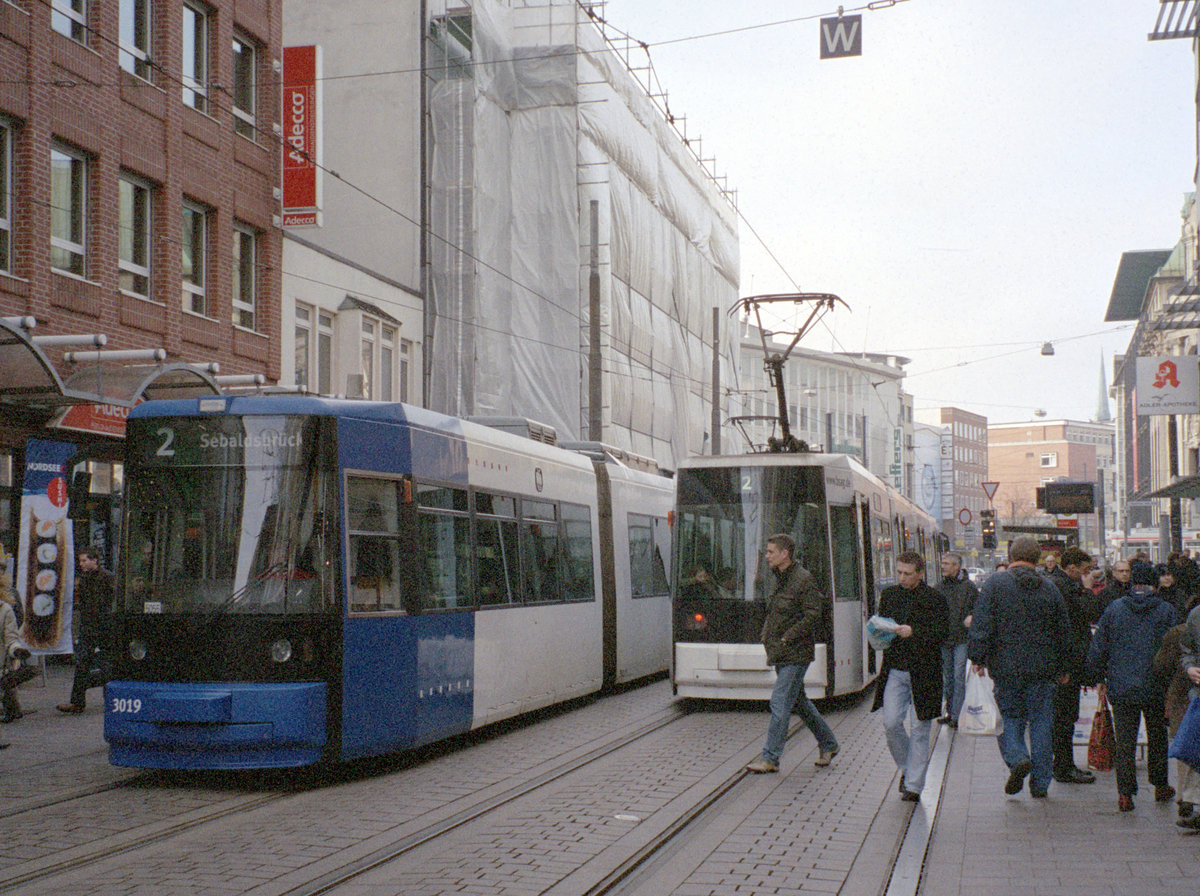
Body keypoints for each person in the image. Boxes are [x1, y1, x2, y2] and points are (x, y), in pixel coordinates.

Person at [968, 535, 1072, 798]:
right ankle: (1040, 784)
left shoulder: (995, 585)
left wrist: (978, 658)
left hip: (1006, 668)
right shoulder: (1050, 588)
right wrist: (1064, 667)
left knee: (1010, 719)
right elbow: (1063, 631)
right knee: (1041, 723)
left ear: (1011, 557)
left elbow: (982, 624)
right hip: (1043, 669)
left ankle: (1017, 758)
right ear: (1037, 558)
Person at [746, 533, 840, 773]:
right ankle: (829, 743)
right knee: (800, 702)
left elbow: (813, 615)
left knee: (779, 701)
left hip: (795, 652)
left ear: (784, 554)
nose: (766, 556)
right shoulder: (779, 577)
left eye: (770, 552)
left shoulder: (803, 579)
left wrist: (788, 636)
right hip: (781, 651)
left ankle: (770, 758)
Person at [1087, 582, 1176, 812]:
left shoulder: (1115, 608)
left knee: (1125, 741)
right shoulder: (1166, 610)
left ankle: (1125, 794)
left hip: (1121, 684)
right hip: (1156, 684)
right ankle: (1160, 785)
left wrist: (1097, 676)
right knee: (1158, 737)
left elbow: (1100, 646)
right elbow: (1174, 647)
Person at [871, 551, 948, 801]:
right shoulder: (890, 595)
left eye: (907, 573)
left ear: (920, 574)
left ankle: (914, 785)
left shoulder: (934, 598)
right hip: (895, 667)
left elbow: (942, 633)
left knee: (920, 728)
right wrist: (880, 631)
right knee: (891, 722)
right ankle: (907, 768)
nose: (902, 578)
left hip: (924, 671)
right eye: (899, 572)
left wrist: (913, 632)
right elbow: (881, 625)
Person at [1045, 546, 1097, 785]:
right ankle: (1063, 766)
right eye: (1086, 570)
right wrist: (1087, 589)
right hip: (1066, 662)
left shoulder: (1060, 584)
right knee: (1064, 716)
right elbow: (1086, 614)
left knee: (1066, 715)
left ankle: (1064, 764)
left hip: (1067, 661)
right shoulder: (1065, 587)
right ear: (1072, 568)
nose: (1089, 574)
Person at [1152, 597, 1200, 825]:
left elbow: (1162, 665)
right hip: (1194, 696)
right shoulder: (1196, 617)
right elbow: (1187, 650)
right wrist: (1190, 666)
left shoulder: (1185, 623)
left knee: (1189, 751)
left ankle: (1187, 799)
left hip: (1184, 698)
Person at [57, 547, 115, 714]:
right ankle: (77, 702)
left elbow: (112, 600)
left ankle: (110, 700)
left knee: (107, 664)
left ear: (94, 560)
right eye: (80, 561)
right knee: (82, 662)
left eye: (84, 560)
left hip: (104, 626)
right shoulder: (82, 579)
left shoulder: (107, 578)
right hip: (88, 626)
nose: (81, 564)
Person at [935, 552, 977, 728]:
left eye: (946, 563)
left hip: (961, 638)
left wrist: (971, 617)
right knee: (948, 677)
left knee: (959, 675)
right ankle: (950, 710)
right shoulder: (939, 587)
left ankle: (956, 715)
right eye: (942, 563)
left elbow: (978, 609)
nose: (943, 566)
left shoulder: (969, 587)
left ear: (956, 566)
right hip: (944, 638)